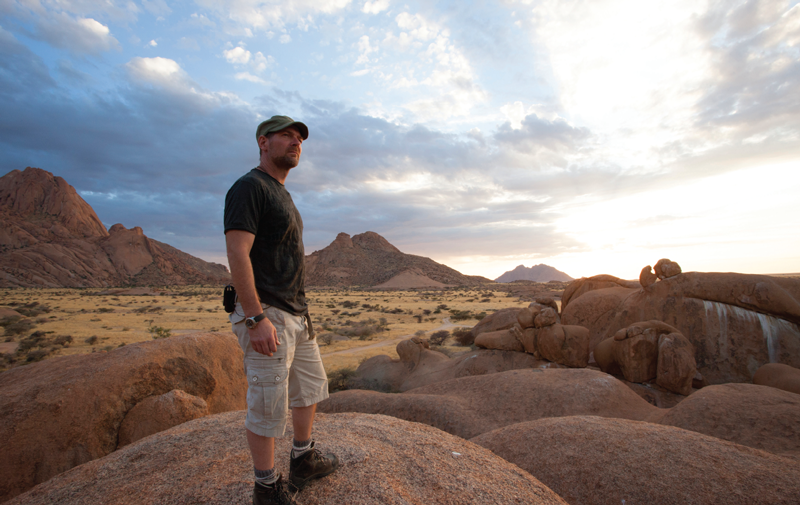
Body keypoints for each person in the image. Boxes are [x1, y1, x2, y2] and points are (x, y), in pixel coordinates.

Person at [224, 115, 339, 505]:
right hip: (268, 312)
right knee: (268, 403)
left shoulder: (281, 192)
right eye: (286, 136)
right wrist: (255, 318)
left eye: (299, 138)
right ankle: (266, 487)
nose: (295, 142)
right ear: (263, 142)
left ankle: (303, 458)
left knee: (308, 389)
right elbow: (237, 253)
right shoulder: (249, 187)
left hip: (296, 314)